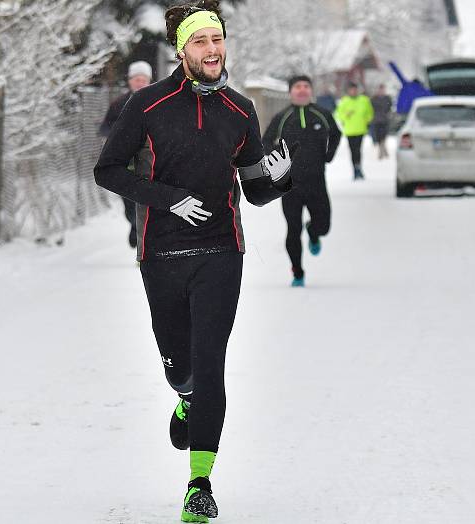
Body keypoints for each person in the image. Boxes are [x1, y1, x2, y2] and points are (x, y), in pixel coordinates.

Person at [93, 1, 294, 521]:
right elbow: (108, 170)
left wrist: (280, 178)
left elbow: (253, 192)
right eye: (201, 42)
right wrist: (166, 199)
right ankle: (183, 394)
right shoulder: (148, 106)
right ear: (182, 50)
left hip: (222, 251)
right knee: (179, 362)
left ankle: (199, 483)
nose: (212, 50)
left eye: (217, 40)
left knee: (210, 367)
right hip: (160, 251)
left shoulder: (241, 110)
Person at [263, 75, 341, 287]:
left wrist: (329, 154)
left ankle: (314, 232)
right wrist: (279, 160)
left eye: (306, 86)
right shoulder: (282, 117)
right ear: (291, 91)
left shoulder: (322, 114)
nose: (302, 90)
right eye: (298, 87)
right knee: (293, 229)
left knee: (323, 225)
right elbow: (266, 142)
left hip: (317, 182)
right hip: (290, 185)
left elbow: (336, 134)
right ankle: (297, 272)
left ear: (311, 90)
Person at [98, 60, 154, 248]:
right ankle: (134, 224)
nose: (139, 82)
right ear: (130, 81)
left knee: (148, 202)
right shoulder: (118, 104)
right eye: (136, 79)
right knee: (130, 205)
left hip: (150, 163)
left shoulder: (157, 102)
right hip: (126, 164)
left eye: (143, 79)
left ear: (149, 81)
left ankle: (143, 238)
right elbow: (105, 128)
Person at [335, 81, 373, 180]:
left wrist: (367, 120)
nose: (353, 91)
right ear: (348, 91)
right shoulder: (344, 101)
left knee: (358, 150)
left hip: (361, 129)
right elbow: (338, 114)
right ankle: (355, 171)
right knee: (353, 151)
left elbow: (370, 113)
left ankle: (359, 168)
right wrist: (346, 115)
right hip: (350, 131)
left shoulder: (364, 100)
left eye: (355, 89)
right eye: (351, 90)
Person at [370, 84, 393, 160]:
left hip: (385, 120)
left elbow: (389, 108)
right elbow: (371, 109)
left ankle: (383, 150)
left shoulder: (387, 98)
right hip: (376, 121)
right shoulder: (374, 99)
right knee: (379, 136)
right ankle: (382, 150)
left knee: (384, 136)